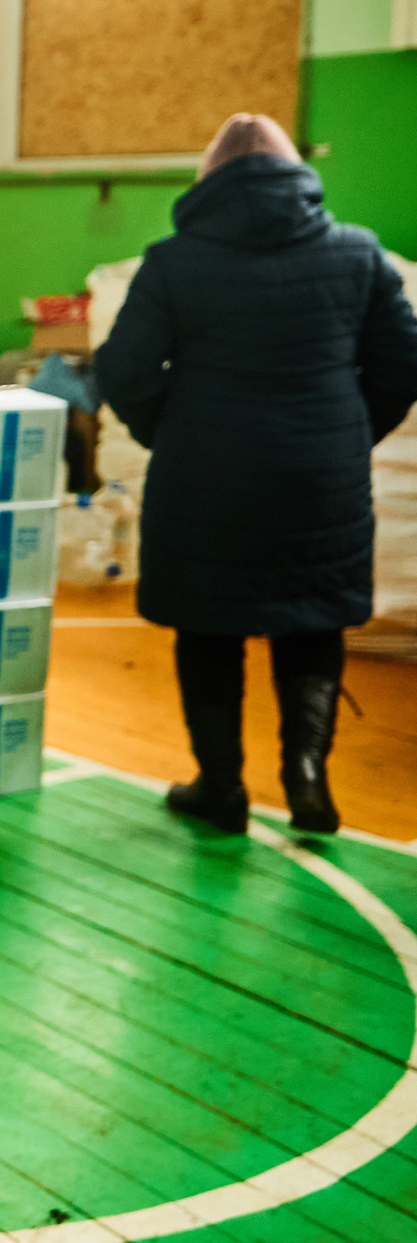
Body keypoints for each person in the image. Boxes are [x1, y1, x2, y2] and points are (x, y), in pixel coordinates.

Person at [95, 114, 417, 834]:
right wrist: (349, 431)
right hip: (321, 478)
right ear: (295, 174)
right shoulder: (358, 253)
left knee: (209, 626)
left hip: (206, 476)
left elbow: (123, 369)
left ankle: (221, 787)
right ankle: (308, 780)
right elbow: (405, 362)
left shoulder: (174, 261)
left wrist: (167, 432)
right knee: (313, 620)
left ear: (209, 181)